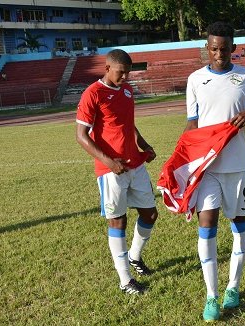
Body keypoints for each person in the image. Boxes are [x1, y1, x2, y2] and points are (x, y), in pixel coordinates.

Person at [184, 21, 245, 322]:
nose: (219, 53)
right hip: (207, 167)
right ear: (207, 49)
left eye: (224, 48)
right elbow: (192, 126)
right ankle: (211, 295)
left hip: (237, 166)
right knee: (207, 225)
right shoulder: (194, 79)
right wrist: (186, 167)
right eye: (214, 48)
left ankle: (233, 287)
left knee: (240, 222)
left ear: (233, 48)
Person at [76, 49, 158, 295]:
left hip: (135, 163)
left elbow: (127, 123)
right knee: (118, 220)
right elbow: (81, 136)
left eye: (127, 73)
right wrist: (109, 161)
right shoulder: (93, 94)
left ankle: (134, 256)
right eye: (121, 72)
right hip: (110, 169)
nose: (125, 77)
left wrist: (144, 145)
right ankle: (125, 280)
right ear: (107, 68)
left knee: (150, 214)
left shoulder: (127, 89)